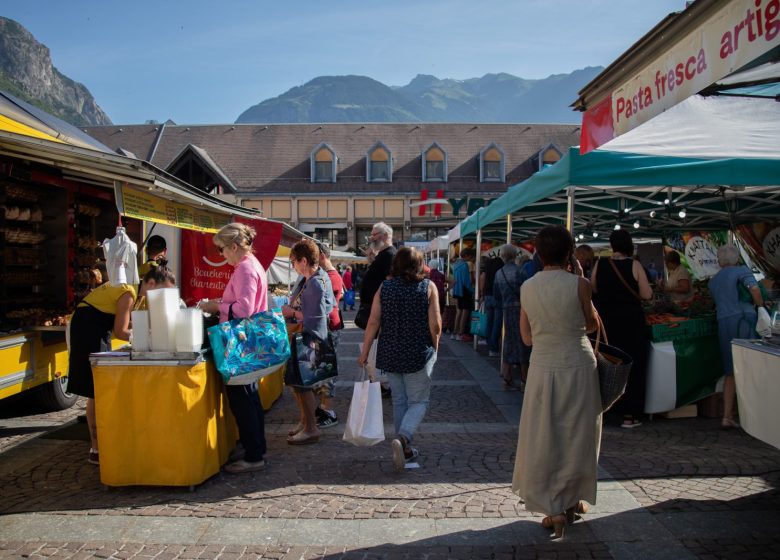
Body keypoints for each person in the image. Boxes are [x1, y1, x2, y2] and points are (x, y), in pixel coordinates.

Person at [512, 225, 600, 539]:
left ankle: (552, 507)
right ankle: (573, 498)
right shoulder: (581, 284)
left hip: (543, 364)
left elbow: (525, 336)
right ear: (569, 252)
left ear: (538, 252)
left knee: (544, 433)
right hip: (576, 362)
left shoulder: (528, 286)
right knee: (577, 432)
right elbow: (591, 325)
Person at [67, 261, 177, 465]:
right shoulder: (128, 293)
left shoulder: (136, 292)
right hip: (88, 329)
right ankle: (96, 449)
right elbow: (121, 331)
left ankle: (101, 444)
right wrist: (149, 338)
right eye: (162, 292)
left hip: (97, 326)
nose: (162, 298)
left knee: (98, 389)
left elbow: (127, 322)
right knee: (96, 390)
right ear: (151, 283)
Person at [357, 247, 441, 471]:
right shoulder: (427, 287)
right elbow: (436, 324)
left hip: (390, 352)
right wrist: (436, 346)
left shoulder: (385, 287)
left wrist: (365, 351)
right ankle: (403, 438)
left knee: (400, 401)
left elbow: (373, 322)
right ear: (419, 265)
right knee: (419, 401)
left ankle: (403, 449)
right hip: (417, 352)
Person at [199, 223, 269, 473]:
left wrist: (215, 307)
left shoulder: (245, 269)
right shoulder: (252, 266)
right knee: (249, 398)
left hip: (238, 341)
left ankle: (254, 455)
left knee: (243, 400)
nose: (221, 255)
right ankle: (255, 448)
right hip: (244, 341)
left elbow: (244, 310)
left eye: (221, 250)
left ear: (234, 246)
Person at [591, 229, 653, 428]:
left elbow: (593, 290)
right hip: (631, 322)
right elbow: (646, 294)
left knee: (608, 364)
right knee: (633, 366)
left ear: (612, 245)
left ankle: (607, 411)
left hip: (607, 322)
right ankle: (630, 415)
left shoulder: (600, 264)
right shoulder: (634, 265)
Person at [281, 239, 335, 445]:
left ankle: (311, 428)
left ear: (303, 260)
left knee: (303, 386)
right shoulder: (317, 278)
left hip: (309, 339)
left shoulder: (314, 283)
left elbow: (314, 316)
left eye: (293, 261)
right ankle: (306, 423)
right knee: (300, 385)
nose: (293, 265)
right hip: (311, 338)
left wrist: (291, 312)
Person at [709, 244, 765, 430]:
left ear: (719, 260)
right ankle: (755, 416)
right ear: (736, 258)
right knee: (750, 367)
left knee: (730, 371)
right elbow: (755, 289)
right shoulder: (741, 270)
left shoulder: (714, 280)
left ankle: (727, 416)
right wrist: (761, 307)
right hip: (743, 321)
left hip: (723, 324)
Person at [357, 222, 397, 397]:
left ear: (384, 235)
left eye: (374, 235)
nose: (371, 238)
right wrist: (371, 259)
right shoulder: (383, 254)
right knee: (375, 347)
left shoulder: (390, 255)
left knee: (378, 347)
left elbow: (388, 280)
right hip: (374, 308)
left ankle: (384, 383)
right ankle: (379, 381)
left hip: (380, 311)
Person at [315, 241, 342, 429]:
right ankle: (323, 408)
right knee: (322, 370)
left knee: (327, 370)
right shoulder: (326, 275)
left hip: (330, 328)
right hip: (327, 328)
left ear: (322, 256)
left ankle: (328, 411)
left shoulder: (331, 277)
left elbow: (323, 305)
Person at [492, 244, 526, 390]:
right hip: (521, 309)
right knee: (523, 342)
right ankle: (524, 378)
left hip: (506, 309)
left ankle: (506, 376)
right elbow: (526, 291)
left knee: (507, 342)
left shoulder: (499, 273)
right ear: (514, 255)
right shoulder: (520, 271)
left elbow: (496, 295)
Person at [480, 252, 505, 356]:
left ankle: (490, 343)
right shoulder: (501, 270)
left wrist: (482, 294)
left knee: (489, 321)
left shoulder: (487, 269)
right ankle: (493, 347)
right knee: (497, 323)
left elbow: (482, 279)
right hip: (498, 297)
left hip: (487, 296)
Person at [451, 247, 475, 342]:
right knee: (465, 313)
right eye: (471, 256)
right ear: (468, 256)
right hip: (465, 291)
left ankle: (454, 333)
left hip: (457, 290)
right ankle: (460, 333)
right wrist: (472, 290)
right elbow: (467, 281)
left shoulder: (456, 264)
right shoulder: (465, 265)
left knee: (459, 312)